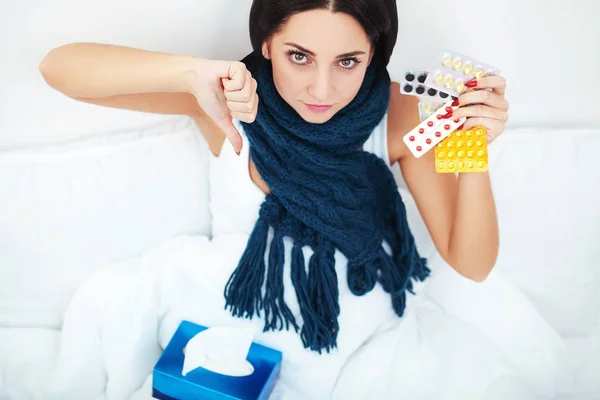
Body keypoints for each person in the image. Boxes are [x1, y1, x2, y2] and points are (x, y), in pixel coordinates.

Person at [37, 1, 564, 399]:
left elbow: (471, 262)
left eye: (348, 61)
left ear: (374, 56)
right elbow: (59, 69)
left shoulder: (403, 114)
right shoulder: (226, 97)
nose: (321, 88)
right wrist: (190, 74)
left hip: (352, 335)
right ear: (266, 44)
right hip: (227, 312)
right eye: (299, 56)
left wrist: (473, 148)